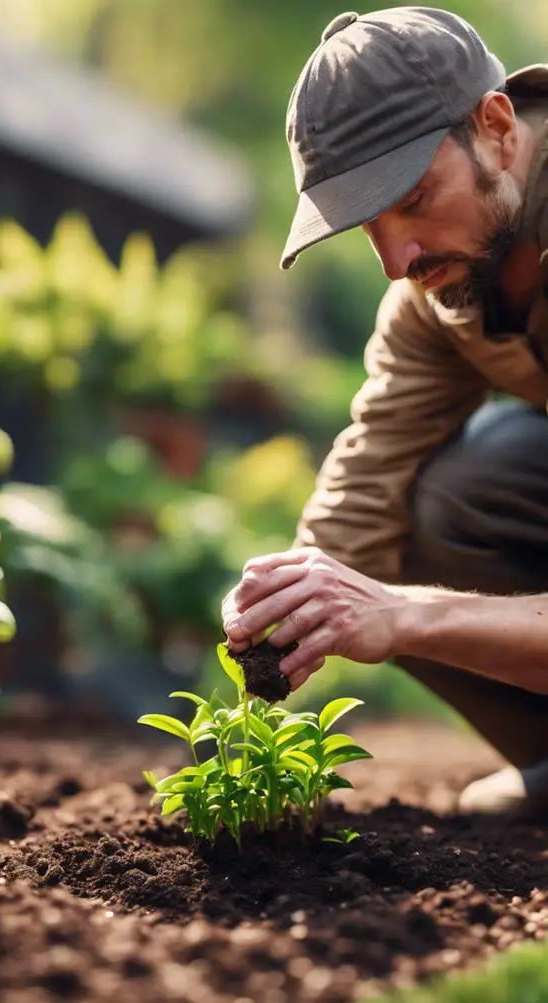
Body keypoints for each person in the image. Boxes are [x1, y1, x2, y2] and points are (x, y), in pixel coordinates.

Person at [223, 8, 548, 816]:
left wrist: (408, 616)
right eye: (366, 227)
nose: (395, 260)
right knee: (425, 508)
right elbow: (366, 480)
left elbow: (394, 608)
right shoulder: (437, 295)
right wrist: (284, 619)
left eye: (411, 198)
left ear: (496, 127)